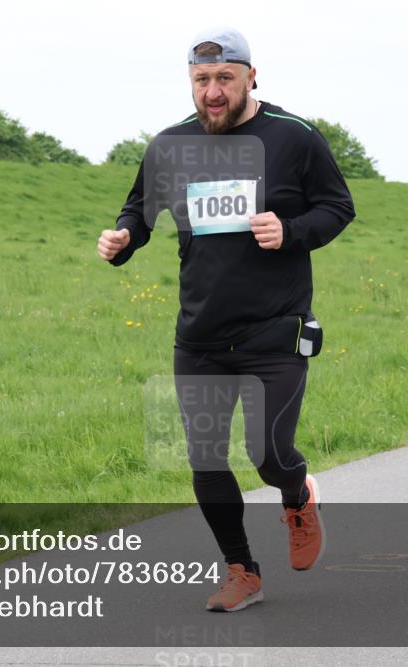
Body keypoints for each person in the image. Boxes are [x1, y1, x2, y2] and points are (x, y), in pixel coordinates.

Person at [97, 26, 355, 612]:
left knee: (268, 455)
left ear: (250, 76)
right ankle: (242, 571)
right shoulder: (169, 145)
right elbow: (140, 207)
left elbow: (338, 206)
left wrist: (291, 232)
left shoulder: (294, 138)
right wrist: (124, 239)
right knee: (205, 457)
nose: (212, 92)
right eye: (201, 80)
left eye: (224, 79)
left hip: (275, 331)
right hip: (201, 335)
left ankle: (296, 494)